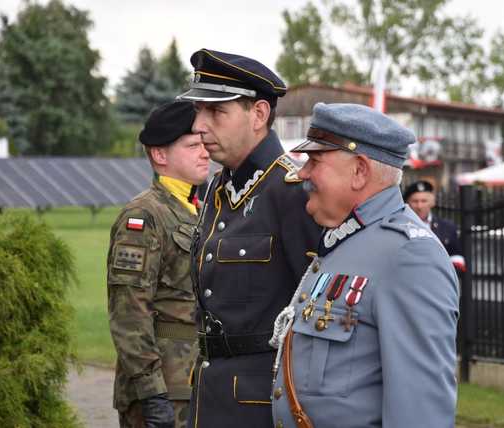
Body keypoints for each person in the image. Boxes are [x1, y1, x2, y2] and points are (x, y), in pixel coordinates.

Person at [269, 103, 459, 428]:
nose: (302, 173)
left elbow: (419, 414)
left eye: (315, 161)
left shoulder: (409, 256)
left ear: (359, 171)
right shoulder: (344, 239)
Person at [177, 49, 322, 428]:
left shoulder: (293, 192)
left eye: (215, 112)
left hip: (262, 406)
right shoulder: (218, 188)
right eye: (198, 111)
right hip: (209, 398)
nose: (199, 126)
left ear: (258, 115)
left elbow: (317, 315)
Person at [107, 101, 210, 428]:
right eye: (193, 145)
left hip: (196, 379)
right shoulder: (144, 216)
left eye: (205, 144)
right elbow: (128, 311)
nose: (205, 153)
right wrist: (152, 394)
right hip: (165, 389)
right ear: (160, 155)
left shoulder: (203, 210)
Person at [403, 179, 466, 271]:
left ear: (432, 202)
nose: (419, 206)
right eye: (415, 201)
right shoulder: (400, 226)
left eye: (424, 201)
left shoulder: (447, 227)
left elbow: (456, 255)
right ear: (407, 203)